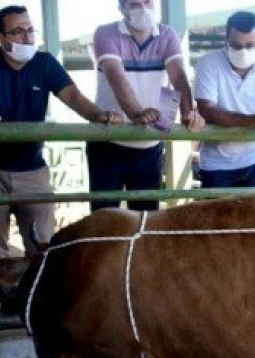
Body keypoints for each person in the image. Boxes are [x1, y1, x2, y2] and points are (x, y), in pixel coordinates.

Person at [0, 5, 119, 259]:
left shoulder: (45, 62)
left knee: (43, 245)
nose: (27, 38)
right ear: (1, 38)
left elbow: (72, 95)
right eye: (17, 32)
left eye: (30, 30)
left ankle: (36, 297)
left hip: (32, 170)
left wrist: (98, 115)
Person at [89, 0, 204, 212]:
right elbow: (115, 75)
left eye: (148, 2)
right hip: (108, 143)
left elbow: (178, 75)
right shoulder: (106, 33)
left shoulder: (167, 34)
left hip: (149, 145)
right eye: (135, 4)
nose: (143, 8)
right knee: (104, 220)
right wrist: (136, 112)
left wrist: (188, 112)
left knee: (145, 219)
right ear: (122, 9)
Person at [194, 11, 255, 189]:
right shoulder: (208, 63)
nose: (243, 51)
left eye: (250, 45)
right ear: (226, 41)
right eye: (236, 46)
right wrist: (253, 121)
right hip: (217, 166)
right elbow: (207, 110)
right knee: (219, 217)